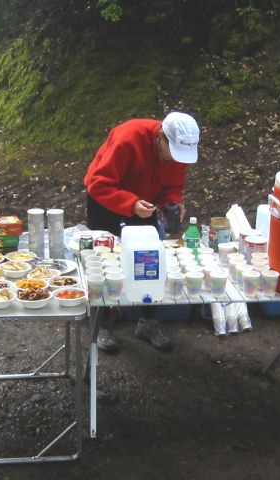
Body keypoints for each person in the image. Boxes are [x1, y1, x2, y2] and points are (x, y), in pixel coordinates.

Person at [84, 111, 200, 353]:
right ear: (160, 137)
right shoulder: (128, 139)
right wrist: (130, 204)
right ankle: (102, 321)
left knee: (149, 258)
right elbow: (98, 184)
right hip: (106, 199)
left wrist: (173, 203)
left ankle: (147, 320)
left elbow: (173, 186)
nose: (177, 161)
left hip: (143, 205)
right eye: (174, 154)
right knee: (105, 258)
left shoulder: (178, 153)